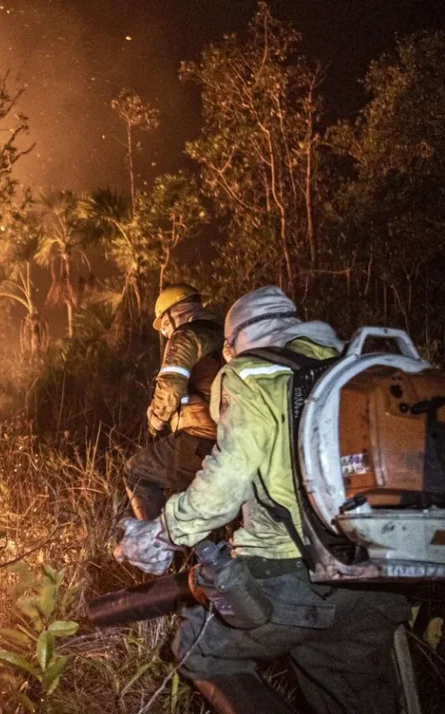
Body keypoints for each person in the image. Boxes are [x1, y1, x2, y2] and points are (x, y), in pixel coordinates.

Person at [116, 286, 410, 714]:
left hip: (295, 580)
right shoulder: (354, 371)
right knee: (349, 694)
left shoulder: (254, 374)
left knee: (198, 650)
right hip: (380, 579)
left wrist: (161, 535)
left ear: (234, 343)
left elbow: (226, 481)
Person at [125, 283, 224, 520]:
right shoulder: (223, 332)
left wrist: (156, 421)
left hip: (202, 437)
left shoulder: (186, 335)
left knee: (136, 472)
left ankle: (154, 547)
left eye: (165, 325)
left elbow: (171, 384)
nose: (166, 332)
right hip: (233, 436)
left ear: (173, 312)